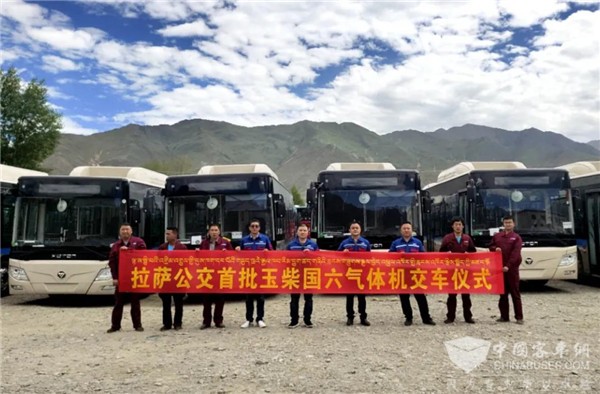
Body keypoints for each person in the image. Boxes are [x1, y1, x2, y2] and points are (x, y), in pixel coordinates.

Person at [389, 221, 436, 326]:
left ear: (412, 230)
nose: (406, 230)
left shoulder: (417, 243)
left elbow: (423, 257)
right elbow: (390, 258)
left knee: (421, 297)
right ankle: (408, 317)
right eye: (404, 228)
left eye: (408, 228)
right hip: (402, 274)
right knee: (404, 297)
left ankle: (426, 318)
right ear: (401, 231)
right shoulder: (396, 243)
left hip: (416, 274)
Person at [107, 223, 147, 333]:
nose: (125, 232)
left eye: (127, 230)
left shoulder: (138, 242)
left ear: (131, 231)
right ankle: (115, 326)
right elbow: (112, 262)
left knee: (135, 303)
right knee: (118, 303)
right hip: (121, 278)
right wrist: (115, 277)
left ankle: (137, 325)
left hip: (134, 277)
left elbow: (144, 257)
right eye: (123, 230)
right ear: (120, 232)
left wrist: (128, 251)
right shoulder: (116, 245)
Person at [235, 219, 273, 328]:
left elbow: (272, 253)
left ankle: (260, 318)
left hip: (261, 271)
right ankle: (249, 319)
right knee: (249, 297)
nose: (255, 228)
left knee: (260, 297)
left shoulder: (265, 239)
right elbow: (239, 256)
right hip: (248, 272)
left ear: (259, 228)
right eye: (253, 226)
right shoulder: (244, 240)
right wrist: (237, 250)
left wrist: (267, 252)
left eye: (257, 226)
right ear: (249, 228)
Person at [439, 217, 477, 324]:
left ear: (463, 226)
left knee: (466, 295)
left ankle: (468, 317)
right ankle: (450, 316)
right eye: (456, 224)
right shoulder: (447, 238)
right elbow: (441, 253)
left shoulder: (467, 238)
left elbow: (473, 252)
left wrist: (468, 255)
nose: (458, 226)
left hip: (465, 271)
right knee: (452, 295)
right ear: (452, 226)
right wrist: (447, 254)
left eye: (460, 224)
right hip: (452, 271)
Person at [489, 215, 524, 324]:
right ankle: (504, 316)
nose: (508, 224)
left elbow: (515, 254)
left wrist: (508, 266)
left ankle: (519, 317)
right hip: (500, 269)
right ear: (503, 224)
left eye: (510, 222)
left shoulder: (516, 238)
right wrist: (495, 248)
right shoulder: (497, 236)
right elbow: (490, 247)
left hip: (512, 270)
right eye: (506, 222)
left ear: (513, 224)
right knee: (502, 294)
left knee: (515, 294)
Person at [199, 223, 233, 329]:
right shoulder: (204, 243)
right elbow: (199, 258)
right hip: (207, 273)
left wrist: (226, 253)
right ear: (209, 232)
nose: (214, 232)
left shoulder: (226, 243)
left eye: (216, 230)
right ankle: (206, 321)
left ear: (219, 232)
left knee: (220, 299)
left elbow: (232, 257)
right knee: (206, 300)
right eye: (212, 230)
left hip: (220, 274)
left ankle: (218, 321)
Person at [338, 221, 371, 326]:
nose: (355, 230)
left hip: (362, 273)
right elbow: (336, 256)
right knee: (349, 296)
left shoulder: (365, 242)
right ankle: (350, 317)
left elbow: (370, 258)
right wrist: (343, 254)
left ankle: (363, 317)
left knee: (362, 297)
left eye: (357, 228)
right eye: (353, 228)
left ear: (360, 230)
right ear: (349, 230)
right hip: (349, 273)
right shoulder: (344, 243)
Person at [287, 223, 319, 328]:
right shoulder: (291, 245)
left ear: (308, 232)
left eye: (304, 230)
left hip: (309, 274)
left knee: (308, 299)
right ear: (297, 232)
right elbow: (285, 259)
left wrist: (310, 254)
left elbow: (319, 259)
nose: (302, 232)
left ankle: (307, 320)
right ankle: (294, 320)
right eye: (300, 230)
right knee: (294, 299)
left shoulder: (313, 245)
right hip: (295, 274)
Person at [158, 227, 188, 331]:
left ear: (175, 235)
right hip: (165, 277)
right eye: (166, 234)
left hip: (178, 278)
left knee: (178, 303)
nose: (167, 236)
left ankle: (178, 323)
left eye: (168, 234)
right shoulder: (162, 247)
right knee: (166, 303)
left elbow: (186, 263)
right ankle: (167, 324)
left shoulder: (182, 248)